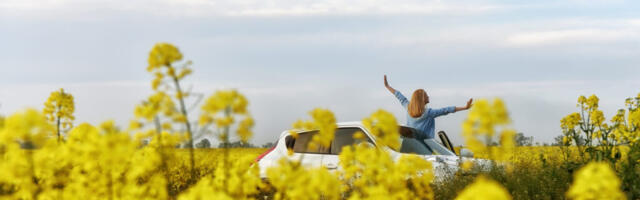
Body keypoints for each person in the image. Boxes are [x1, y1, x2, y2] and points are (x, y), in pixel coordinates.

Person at [384, 75, 473, 139]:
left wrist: (388, 86)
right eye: (426, 96)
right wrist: (465, 108)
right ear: (422, 99)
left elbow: (399, 96)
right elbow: (446, 110)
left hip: (410, 142)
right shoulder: (428, 113)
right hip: (425, 145)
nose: (428, 96)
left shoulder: (408, 107)